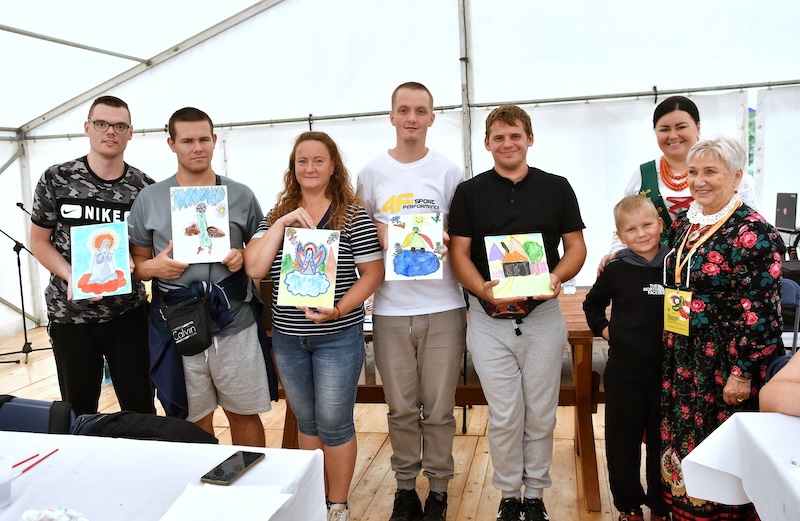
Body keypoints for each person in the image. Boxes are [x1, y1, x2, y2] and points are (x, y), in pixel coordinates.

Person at [449, 105, 587, 521]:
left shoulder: (557, 187)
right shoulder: (469, 192)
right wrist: (481, 290)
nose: (507, 143)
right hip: (488, 322)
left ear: (529, 138)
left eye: (515, 135)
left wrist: (556, 277)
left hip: (543, 319)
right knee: (505, 415)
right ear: (487, 143)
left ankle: (536, 496)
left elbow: (576, 248)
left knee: (541, 415)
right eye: (499, 137)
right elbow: (459, 254)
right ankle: (509, 495)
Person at [244, 131, 384, 521]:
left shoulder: (352, 215)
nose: (310, 168)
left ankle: (337, 504)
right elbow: (254, 267)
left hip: (337, 337)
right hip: (289, 339)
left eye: (318, 160)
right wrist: (283, 224)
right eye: (302, 161)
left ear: (333, 166)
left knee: (334, 422)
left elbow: (373, 273)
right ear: (293, 168)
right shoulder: (276, 215)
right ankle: (314, 502)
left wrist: (338, 309)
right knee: (306, 421)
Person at [128, 107, 277, 446]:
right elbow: (137, 262)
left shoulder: (241, 195)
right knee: (192, 421)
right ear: (171, 144)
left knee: (245, 414)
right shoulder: (149, 199)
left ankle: (251, 478)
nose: (197, 147)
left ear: (214, 140)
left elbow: (260, 250)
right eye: (187, 141)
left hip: (235, 321)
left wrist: (243, 255)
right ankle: (205, 479)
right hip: (179, 325)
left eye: (203, 139)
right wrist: (155, 268)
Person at [354, 81, 467, 521]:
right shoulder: (371, 173)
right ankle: (405, 489)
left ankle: (438, 489)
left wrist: (444, 238)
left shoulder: (449, 171)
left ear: (432, 118)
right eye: (404, 110)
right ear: (392, 116)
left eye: (421, 110)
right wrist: (382, 231)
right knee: (400, 408)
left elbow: (463, 233)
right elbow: (358, 232)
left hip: (443, 306)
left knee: (439, 410)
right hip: (390, 309)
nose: (412, 118)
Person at [661, 137, 784, 520]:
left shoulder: (754, 232)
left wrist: (742, 373)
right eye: (693, 172)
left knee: (721, 453)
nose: (699, 181)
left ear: (736, 176)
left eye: (710, 172)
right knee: (687, 446)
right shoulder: (686, 222)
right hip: (685, 358)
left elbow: (763, 314)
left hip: (725, 365)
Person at [29, 95, 155, 416]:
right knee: (78, 412)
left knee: (140, 410)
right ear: (87, 127)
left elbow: (145, 252)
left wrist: (133, 260)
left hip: (128, 314)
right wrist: (72, 276)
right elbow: (39, 242)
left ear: (131, 132)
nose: (110, 131)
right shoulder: (57, 179)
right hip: (70, 315)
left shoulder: (145, 189)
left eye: (119, 126)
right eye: (101, 124)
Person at [583, 195, 670, 521]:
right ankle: (628, 506)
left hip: (668, 376)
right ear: (620, 235)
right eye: (631, 229)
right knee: (622, 445)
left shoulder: (677, 265)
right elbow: (592, 304)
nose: (641, 233)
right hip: (624, 374)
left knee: (664, 446)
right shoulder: (616, 269)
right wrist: (605, 331)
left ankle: (661, 507)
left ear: (660, 225)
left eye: (647, 225)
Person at [602, 96, 757, 265]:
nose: (673, 135)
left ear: (698, 127)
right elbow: (625, 220)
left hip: (720, 264)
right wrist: (615, 254)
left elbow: (751, 223)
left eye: (681, 127)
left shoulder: (729, 172)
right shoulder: (643, 174)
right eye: (664, 129)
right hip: (654, 267)